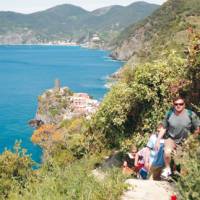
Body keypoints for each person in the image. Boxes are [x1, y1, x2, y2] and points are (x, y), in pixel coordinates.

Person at [155, 96, 200, 178]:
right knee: (167, 152)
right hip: (171, 139)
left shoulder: (191, 114)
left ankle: (181, 178)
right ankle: (167, 169)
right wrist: (157, 140)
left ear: (184, 105)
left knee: (182, 161)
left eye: (180, 104)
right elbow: (164, 128)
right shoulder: (169, 114)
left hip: (186, 141)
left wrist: (192, 138)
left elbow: (198, 128)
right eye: (176, 104)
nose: (178, 106)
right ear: (173, 105)